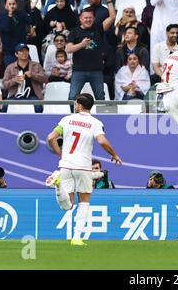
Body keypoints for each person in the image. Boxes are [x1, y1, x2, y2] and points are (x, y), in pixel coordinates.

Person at [46, 93, 123, 246]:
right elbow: (101, 140)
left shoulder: (66, 119)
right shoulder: (95, 122)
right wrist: (114, 154)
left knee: (68, 206)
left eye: (76, 103)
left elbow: (50, 138)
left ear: (79, 105)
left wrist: (61, 155)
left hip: (66, 165)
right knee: (84, 202)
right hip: (83, 166)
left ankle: (58, 185)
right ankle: (76, 237)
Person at [66, 7, 110, 101]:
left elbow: (112, 17)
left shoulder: (98, 29)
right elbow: (69, 49)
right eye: (85, 18)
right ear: (80, 19)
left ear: (94, 18)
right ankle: (72, 115)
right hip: (79, 70)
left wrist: (109, 1)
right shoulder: (74, 32)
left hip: (96, 70)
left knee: (100, 97)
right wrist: (82, 44)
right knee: (73, 96)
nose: (88, 20)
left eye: (90, 17)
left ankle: (100, 116)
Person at [2, 43, 47, 113]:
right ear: (16, 54)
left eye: (26, 51)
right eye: (21, 51)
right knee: (5, 106)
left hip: (33, 96)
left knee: (38, 107)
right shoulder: (10, 67)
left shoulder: (36, 65)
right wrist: (15, 80)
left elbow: (45, 79)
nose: (24, 53)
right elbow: (4, 84)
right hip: (15, 96)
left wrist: (33, 75)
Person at [0, 0, 33, 67]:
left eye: (13, 4)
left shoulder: (21, 14)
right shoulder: (1, 17)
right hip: (9, 52)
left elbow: (30, 20)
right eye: (9, 4)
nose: (12, 6)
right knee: (12, 73)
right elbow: (6, 28)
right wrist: (9, 15)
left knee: (28, 71)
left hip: (22, 50)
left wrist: (31, 9)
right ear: (5, 6)